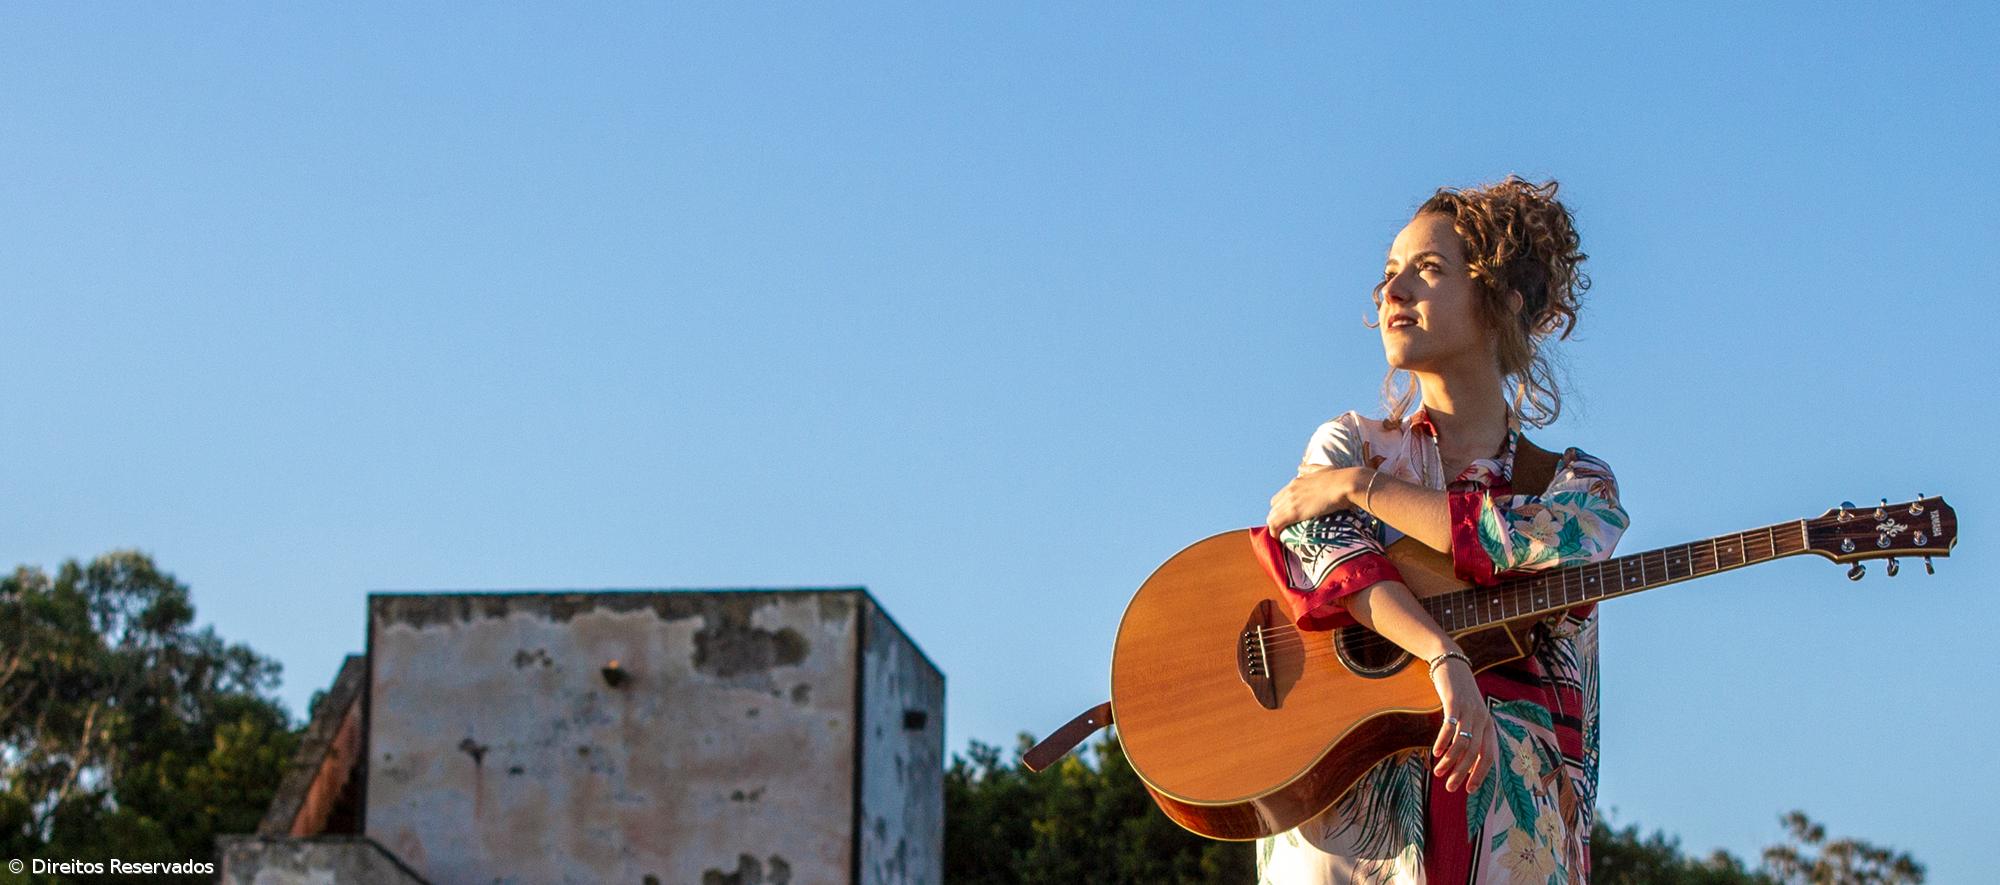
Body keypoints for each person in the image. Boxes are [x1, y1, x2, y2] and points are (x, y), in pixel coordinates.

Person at [1254, 175, 1630, 884]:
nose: (1393, 292)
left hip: (1513, 835)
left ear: (1501, 302)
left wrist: (1366, 491)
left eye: (1427, 271)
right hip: (1350, 835)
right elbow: (1338, 566)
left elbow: (1529, 544)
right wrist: (1442, 655)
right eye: (1389, 274)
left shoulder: (1576, 484)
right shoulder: (1344, 444)